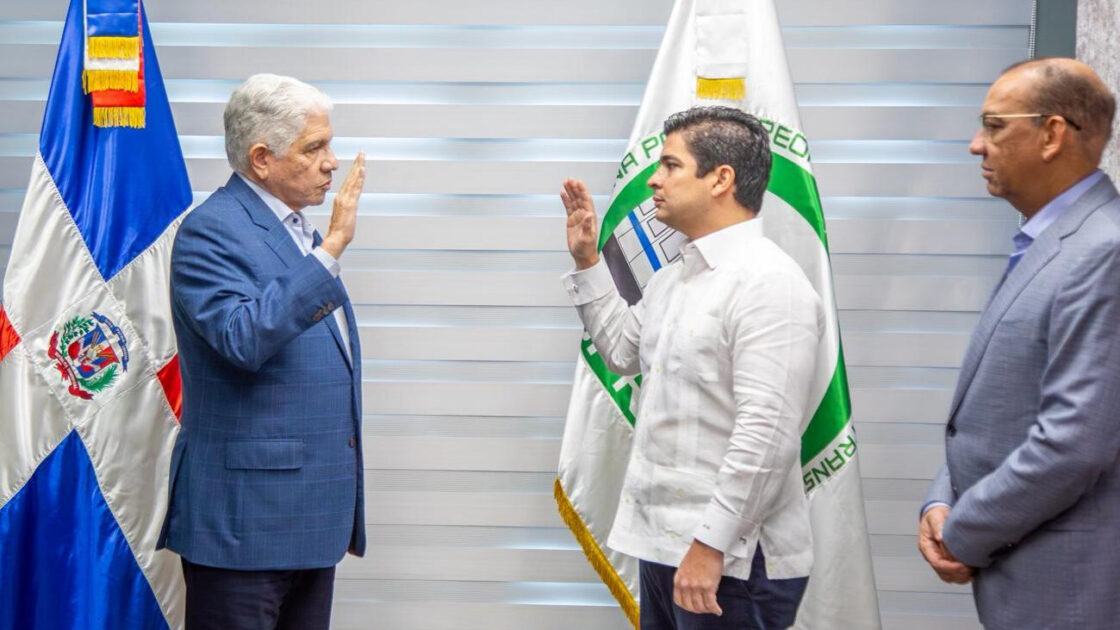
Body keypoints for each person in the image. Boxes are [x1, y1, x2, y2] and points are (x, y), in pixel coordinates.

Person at [560, 106, 823, 630]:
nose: (654, 180)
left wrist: (710, 545)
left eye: (671, 166)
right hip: (665, 544)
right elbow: (622, 353)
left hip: (732, 558)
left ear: (721, 179)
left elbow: (767, 434)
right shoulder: (674, 277)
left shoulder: (769, 282)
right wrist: (588, 261)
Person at [156, 74, 366, 630]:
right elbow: (242, 337)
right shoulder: (211, 230)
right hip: (244, 527)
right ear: (262, 159)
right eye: (314, 148)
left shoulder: (296, 230)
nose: (331, 162)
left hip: (307, 519)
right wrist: (332, 250)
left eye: (329, 145)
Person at [919, 58, 1120, 630]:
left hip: (1070, 594)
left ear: (1052, 134)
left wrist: (963, 530)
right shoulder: (1052, 242)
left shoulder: (1103, 251)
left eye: (994, 126)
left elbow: (1073, 444)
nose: (976, 145)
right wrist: (941, 498)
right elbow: (997, 411)